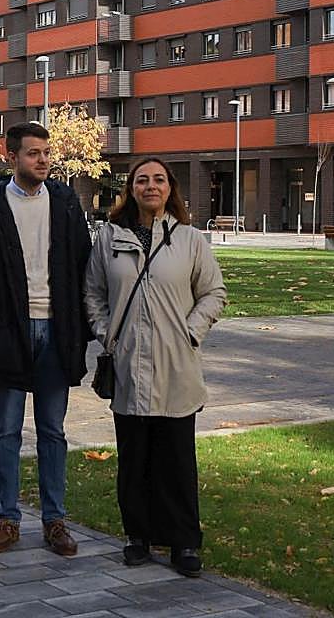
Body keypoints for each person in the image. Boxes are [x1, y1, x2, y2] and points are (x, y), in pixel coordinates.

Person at [84, 157, 226, 578]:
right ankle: (137, 536)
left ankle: (183, 541)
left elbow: (214, 292)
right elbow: (93, 293)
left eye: (158, 180)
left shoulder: (189, 240)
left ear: (170, 188)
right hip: (128, 363)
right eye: (142, 180)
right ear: (131, 189)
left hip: (176, 365)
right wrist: (106, 334)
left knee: (177, 460)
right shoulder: (109, 238)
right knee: (134, 459)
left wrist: (190, 332)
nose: (151, 186)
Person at [0, 121, 93, 557]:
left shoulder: (66, 202)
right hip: (9, 335)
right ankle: (8, 519)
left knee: (53, 431)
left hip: (57, 331)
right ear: (12, 157)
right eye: (34, 153)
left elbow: (85, 267)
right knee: (6, 432)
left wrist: (82, 330)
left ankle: (55, 521)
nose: (43, 160)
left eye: (47, 153)